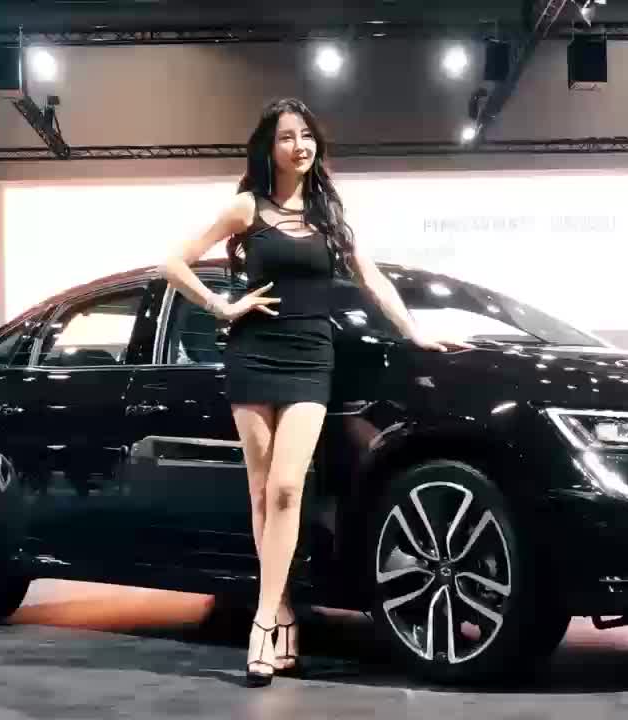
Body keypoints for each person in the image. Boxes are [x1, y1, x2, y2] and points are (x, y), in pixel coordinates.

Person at [158, 97, 469, 686]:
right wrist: (221, 306)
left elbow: (371, 277)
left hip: (309, 358)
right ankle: (280, 611)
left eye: (305, 135)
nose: (299, 145)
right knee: (259, 493)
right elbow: (172, 263)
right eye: (286, 136)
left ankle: (261, 623)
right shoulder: (247, 207)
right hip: (252, 354)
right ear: (268, 147)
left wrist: (414, 331)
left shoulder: (328, 212)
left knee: (285, 488)